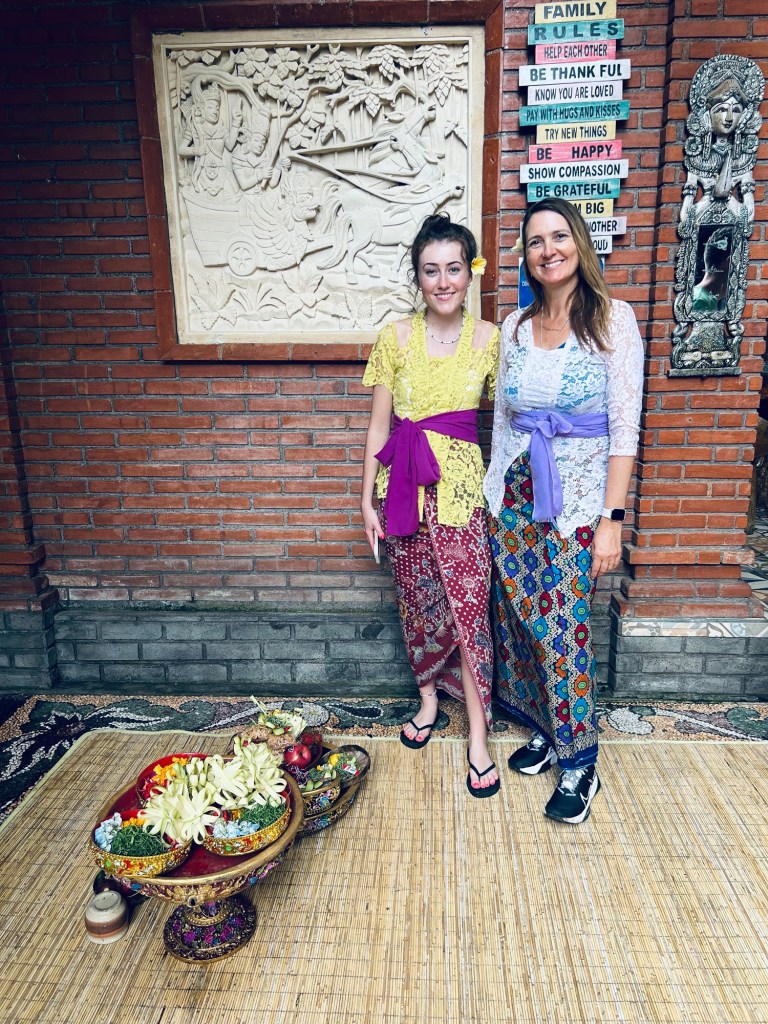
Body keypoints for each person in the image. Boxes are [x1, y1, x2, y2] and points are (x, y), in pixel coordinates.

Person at [483, 197, 643, 823]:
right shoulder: (514, 328)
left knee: (565, 626)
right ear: (525, 257)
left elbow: (624, 430)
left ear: (579, 242)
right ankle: (548, 729)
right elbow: (504, 420)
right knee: (525, 620)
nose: (548, 250)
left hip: (576, 500)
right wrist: (494, 494)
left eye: (558, 236)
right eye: (535, 241)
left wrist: (611, 521)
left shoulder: (613, 320)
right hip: (517, 495)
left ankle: (580, 762)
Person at [361, 213, 501, 797]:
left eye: (453, 269)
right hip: (402, 492)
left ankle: (478, 737)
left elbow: (508, 424)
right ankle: (427, 701)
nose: (443, 282)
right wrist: (364, 498)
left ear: (470, 274)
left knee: (469, 610)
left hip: (462, 495)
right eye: (430, 270)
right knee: (418, 603)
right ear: (417, 277)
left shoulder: (491, 340)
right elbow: (378, 426)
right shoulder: (393, 337)